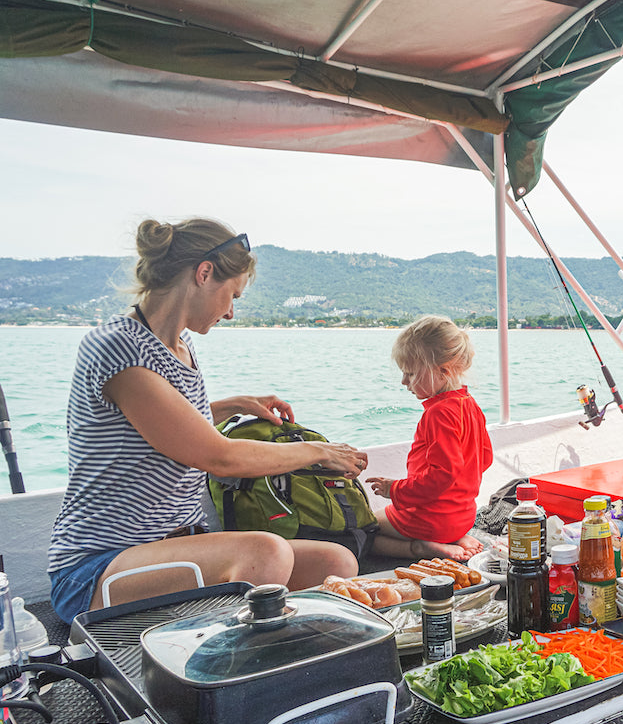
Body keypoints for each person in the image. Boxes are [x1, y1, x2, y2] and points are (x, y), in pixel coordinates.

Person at [48, 219, 366, 623]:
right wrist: (318, 452)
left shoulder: (179, 346)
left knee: (335, 563)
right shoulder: (117, 347)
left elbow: (166, 427)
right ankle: (228, 669)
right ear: (203, 273)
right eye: (232, 294)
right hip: (95, 569)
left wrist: (234, 405)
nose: (231, 312)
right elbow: (219, 457)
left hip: (181, 545)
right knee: (266, 553)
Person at [365, 315, 492, 562]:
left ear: (443, 371)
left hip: (430, 521)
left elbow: (441, 475)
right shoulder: (470, 405)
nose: (404, 382)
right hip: (463, 517)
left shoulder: (438, 413)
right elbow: (484, 459)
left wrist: (395, 489)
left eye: (410, 374)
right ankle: (456, 536)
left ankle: (421, 548)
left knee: (363, 531)